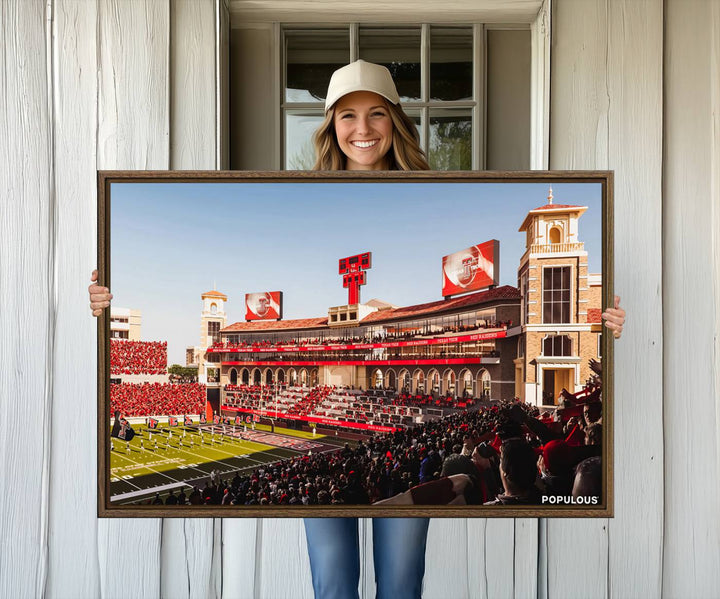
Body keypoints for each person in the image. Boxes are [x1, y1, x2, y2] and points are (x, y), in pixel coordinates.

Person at [88, 59, 627, 598]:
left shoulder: (430, 189)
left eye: (376, 114)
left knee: (399, 584)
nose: (362, 129)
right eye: (347, 115)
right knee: (333, 585)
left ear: (395, 120)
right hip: (367, 468)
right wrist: (101, 304)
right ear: (330, 126)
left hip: (401, 469)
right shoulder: (301, 188)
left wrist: (604, 325)